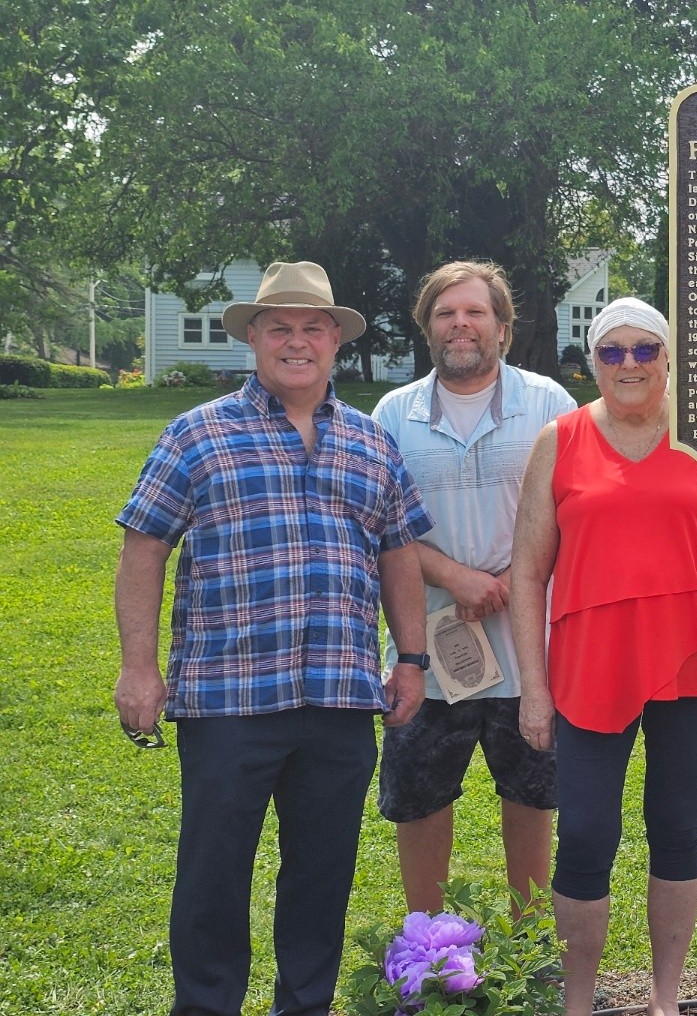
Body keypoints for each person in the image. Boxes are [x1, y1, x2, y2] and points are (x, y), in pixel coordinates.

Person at [113, 260, 433, 1016]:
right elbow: (144, 547)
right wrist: (138, 667)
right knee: (212, 876)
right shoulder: (198, 433)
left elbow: (400, 553)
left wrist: (412, 658)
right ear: (254, 339)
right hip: (229, 699)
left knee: (322, 876)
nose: (297, 342)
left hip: (340, 696)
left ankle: (306, 1006)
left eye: (312, 328)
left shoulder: (370, 442)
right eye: (280, 328)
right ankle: (206, 1006)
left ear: (334, 341)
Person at [507, 297, 697, 1016]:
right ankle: (577, 1002)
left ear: (668, 357)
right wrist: (533, 691)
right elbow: (528, 572)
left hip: (689, 656)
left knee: (678, 827)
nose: (628, 364)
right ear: (593, 361)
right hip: (589, 663)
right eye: (612, 351)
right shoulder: (559, 439)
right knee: (587, 834)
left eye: (644, 349)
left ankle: (666, 998)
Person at [372, 261, 576, 911]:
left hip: (528, 651)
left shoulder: (550, 405)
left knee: (531, 797)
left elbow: (577, 509)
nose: (460, 324)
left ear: (503, 329)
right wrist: (453, 575)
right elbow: (380, 523)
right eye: (445, 313)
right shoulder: (393, 414)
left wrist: (514, 579)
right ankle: (428, 949)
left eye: (475, 312)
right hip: (425, 646)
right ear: (426, 329)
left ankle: (526, 947)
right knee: (421, 799)